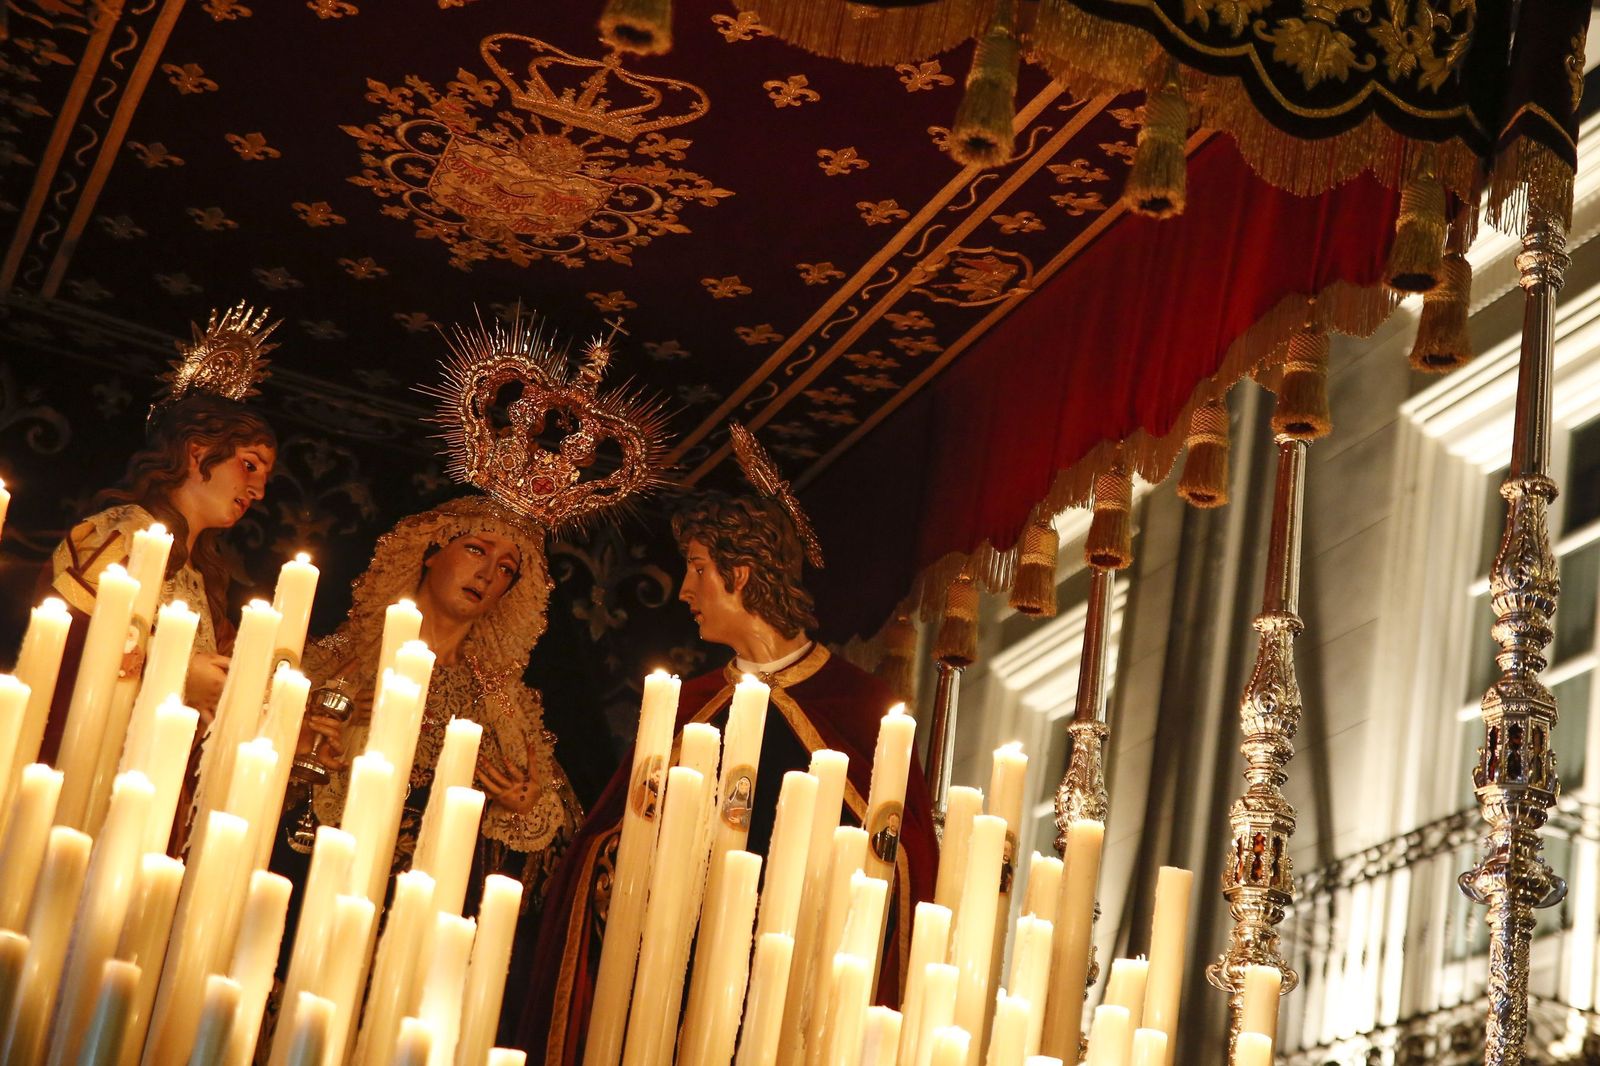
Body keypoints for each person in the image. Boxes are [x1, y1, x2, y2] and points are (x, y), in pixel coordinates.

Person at [514, 486, 939, 1063]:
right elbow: (610, 838)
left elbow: (908, 860)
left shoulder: (859, 706)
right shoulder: (688, 703)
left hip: (797, 991)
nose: (685, 590)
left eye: (697, 568)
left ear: (740, 574)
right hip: (675, 979)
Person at [297, 495, 584, 910]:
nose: (487, 575)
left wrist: (519, 804)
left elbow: (547, 831)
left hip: (432, 902)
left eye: (506, 569)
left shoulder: (502, 704)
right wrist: (318, 729)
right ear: (433, 551)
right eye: (475, 550)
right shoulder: (345, 661)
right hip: (326, 879)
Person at [42, 307, 279, 760]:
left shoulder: (203, 577)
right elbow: (68, 639)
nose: (258, 490)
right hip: (87, 754)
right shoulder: (116, 534)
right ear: (196, 452)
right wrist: (174, 673)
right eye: (249, 465)